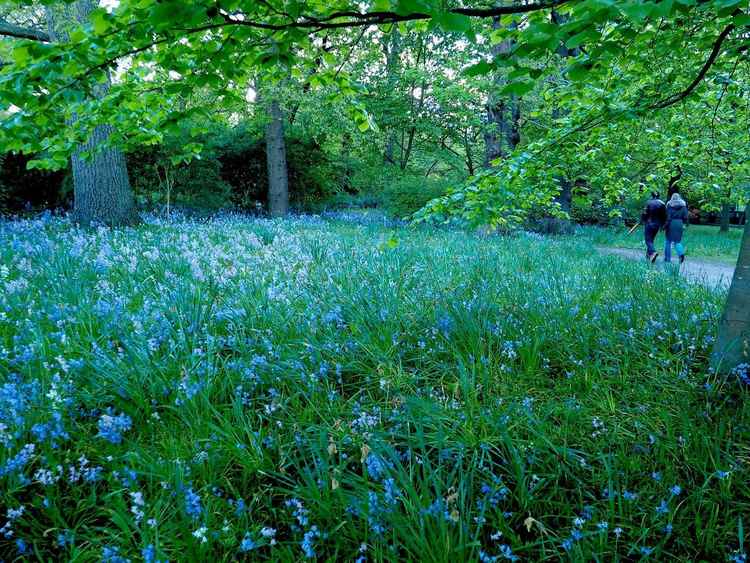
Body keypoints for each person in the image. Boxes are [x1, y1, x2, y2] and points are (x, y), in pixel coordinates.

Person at [641, 191, 667, 262]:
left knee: (648, 240)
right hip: (657, 225)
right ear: (659, 195)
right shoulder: (662, 204)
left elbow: (644, 213)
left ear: (652, 195)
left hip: (649, 224)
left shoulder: (648, 202)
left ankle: (653, 252)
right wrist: (663, 225)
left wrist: (642, 220)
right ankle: (648, 256)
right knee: (651, 240)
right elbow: (664, 216)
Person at [664, 192, 689, 263]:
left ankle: (667, 259)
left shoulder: (669, 205)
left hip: (671, 223)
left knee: (668, 241)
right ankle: (681, 254)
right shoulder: (683, 206)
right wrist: (685, 224)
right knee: (677, 241)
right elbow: (686, 217)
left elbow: (668, 217)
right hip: (679, 223)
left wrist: (665, 225)